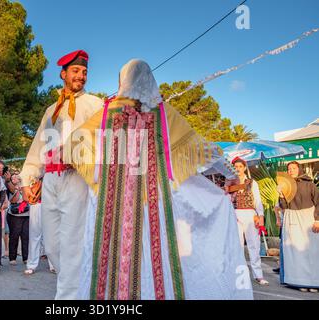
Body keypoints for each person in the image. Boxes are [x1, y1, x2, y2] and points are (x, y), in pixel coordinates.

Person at [67, 59, 252, 299]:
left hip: (112, 210)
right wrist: (229, 173)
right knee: (157, 261)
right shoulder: (164, 115)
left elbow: (72, 146)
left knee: (109, 267)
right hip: (155, 208)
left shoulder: (105, 116)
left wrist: (100, 174)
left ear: (122, 82)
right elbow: (204, 150)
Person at [20, 50, 103, 299]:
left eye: (85, 72)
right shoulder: (50, 110)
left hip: (77, 179)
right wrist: (28, 178)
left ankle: (66, 300)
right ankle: (79, 288)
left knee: (71, 242)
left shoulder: (96, 104)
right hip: (51, 181)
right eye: (76, 71)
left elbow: (103, 140)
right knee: (53, 245)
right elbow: (38, 145)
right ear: (64, 74)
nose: (81, 76)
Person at [226, 157, 269, 286]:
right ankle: (239, 275)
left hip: (250, 214)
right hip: (235, 214)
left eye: (240, 166)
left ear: (244, 168)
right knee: (237, 246)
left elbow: (258, 200)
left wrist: (260, 216)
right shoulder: (230, 183)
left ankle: (258, 275)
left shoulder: (252, 182)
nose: (238, 169)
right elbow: (226, 200)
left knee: (254, 245)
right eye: (235, 167)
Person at [279, 161, 319, 292]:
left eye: (293, 168)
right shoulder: (286, 186)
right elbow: (284, 207)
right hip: (292, 219)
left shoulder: (310, 184)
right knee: (295, 252)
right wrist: (281, 196)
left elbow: (318, 202)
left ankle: (314, 281)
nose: (291, 171)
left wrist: (317, 220)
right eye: (289, 169)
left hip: (309, 219)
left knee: (311, 252)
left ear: (299, 169)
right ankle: (299, 281)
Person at [6, 172, 30, 266]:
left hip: (27, 214)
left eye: (17, 176)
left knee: (26, 236)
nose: (15, 177)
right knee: (14, 236)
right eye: (13, 177)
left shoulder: (25, 186)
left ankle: (26, 258)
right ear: (11, 180)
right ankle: (12, 258)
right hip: (14, 215)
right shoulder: (11, 189)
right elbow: (13, 200)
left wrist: (22, 188)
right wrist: (16, 190)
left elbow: (28, 199)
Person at [0, 161, 10, 259]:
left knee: (1, 233)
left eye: (2, 168)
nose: (0, 170)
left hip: (1, 210)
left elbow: (6, 201)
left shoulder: (3, 180)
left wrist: (2, 205)